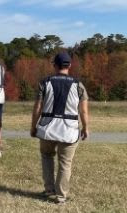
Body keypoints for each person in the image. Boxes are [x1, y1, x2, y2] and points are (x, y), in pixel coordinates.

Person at [30, 51, 89, 204]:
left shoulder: (45, 82)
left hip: (47, 129)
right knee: (65, 163)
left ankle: (49, 190)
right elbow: (83, 110)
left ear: (55, 65)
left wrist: (33, 126)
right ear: (69, 65)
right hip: (69, 130)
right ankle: (61, 195)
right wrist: (86, 127)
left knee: (47, 157)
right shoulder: (78, 85)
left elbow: (37, 108)